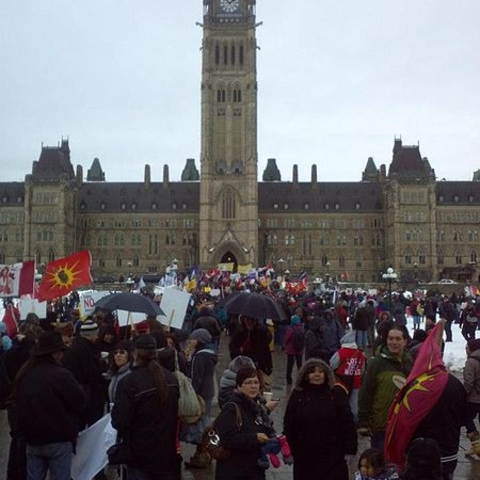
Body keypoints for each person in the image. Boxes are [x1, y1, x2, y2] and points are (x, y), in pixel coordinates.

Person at [14, 331, 86, 480]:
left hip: (33, 439)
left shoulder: (25, 374)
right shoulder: (61, 374)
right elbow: (79, 402)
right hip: (58, 438)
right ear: (55, 353)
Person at [111, 334, 180, 480]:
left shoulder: (129, 382)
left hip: (139, 455)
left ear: (135, 354)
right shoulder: (171, 378)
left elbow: (120, 421)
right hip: (166, 452)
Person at [283, 358, 357, 480]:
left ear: (326, 374)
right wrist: (287, 448)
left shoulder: (336, 394)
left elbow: (347, 422)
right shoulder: (298, 395)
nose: (316, 375)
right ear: (306, 375)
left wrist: (350, 448)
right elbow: (289, 423)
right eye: (312, 371)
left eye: (320, 371)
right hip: (305, 454)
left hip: (333, 454)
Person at [358, 325, 413, 450]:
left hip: (404, 424)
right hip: (381, 426)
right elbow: (365, 393)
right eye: (390, 338)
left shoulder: (410, 363)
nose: (394, 342)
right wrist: (363, 421)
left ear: (405, 341)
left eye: (398, 339)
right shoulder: (376, 363)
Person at [214, 367, 275, 480]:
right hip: (234, 471)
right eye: (248, 382)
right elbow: (227, 439)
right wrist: (254, 438)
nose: (253, 386)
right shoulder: (231, 408)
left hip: (254, 469)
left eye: (256, 382)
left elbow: (260, 429)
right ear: (239, 385)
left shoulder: (257, 407)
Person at [183, 328, 218, 468]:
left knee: (201, 424)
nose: (191, 341)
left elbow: (196, 377)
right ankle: (206, 452)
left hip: (201, 393)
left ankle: (205, 453)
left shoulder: (200, 356)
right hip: (208, 391)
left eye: (193, 338)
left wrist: (193, 394)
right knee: (205, 421)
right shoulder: (210, 353)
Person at [63, 319, 106, 430]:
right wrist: (102, 364)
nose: (97, 337)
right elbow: (92, 373)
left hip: (77, 395)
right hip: (90, 396)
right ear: (90, 335)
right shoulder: (87, 350)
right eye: (96, 334)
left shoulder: (72, 348)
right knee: (94, 430)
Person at [329, 330, 366, 422]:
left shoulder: (340, 352)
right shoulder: (360, 354)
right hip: (356, 382)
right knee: (354, 404)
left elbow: (332, 364)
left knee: (341, 401)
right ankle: (353, 421)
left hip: (341, 381)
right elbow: (363, 369)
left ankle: (341, 420)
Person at [462, 338, 480, 456]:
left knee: (466, 418)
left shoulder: (471, 361)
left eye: (467, 347)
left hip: (474, 398)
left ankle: (476, 445)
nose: (465, 349)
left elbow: (469, 382)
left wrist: (462, 395)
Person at [107, 339, 133, 405]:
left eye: (122, 352)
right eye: (115, 352)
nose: (118, 355)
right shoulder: (113, 374)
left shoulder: (131, 374)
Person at [284, 314, 304, 385]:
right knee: (299, 365)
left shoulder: (290, 328)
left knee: (290, 365)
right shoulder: (301, 328)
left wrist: (285, 345)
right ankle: (301, 380)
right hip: (299, 350)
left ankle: (289, 380)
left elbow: (286, 339)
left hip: (291, 350)